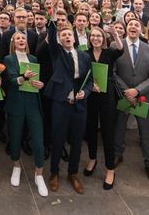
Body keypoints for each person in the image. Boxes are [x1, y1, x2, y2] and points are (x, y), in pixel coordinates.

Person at [45, 23, 92, 194]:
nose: (66, 37)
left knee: (77, 141)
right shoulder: (57, 54)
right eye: (63, 35)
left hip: (79, 105)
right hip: (61, 104)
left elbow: (89, 81)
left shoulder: (84, 56)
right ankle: (54, 173)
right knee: (57, 139)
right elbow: (51, 38)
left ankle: (73, 174)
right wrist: (53, 18)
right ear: (59, 39)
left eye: (69, 35)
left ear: (74, 38)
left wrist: (85, 93)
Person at [113, 18, 149, 184]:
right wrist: (127, 91)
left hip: (143, 97)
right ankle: (117, 154)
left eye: (136, 25)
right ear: (126, 29)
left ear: (142, 30)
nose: (133, 26)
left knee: (145, 133)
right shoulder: (116, 46)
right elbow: (113, 72)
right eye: (130, 24)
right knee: (119, 128)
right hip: (123, 96)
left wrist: (137, 90)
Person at [3, 31, 48, 197]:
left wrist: (40, 84)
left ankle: (39, 174)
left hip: (33, 103)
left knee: (38, 141)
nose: (21, 40)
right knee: (15, 138)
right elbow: (12, 80)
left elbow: (36, 81)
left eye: (23, 38)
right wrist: (24, 77)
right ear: (13, 43)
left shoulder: (34, 59)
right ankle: (16, 166)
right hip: (16, 103)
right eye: (18, 38)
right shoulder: (9, 59)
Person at [84, 26, 123, 189]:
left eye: (98, 36)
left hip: (107, 95)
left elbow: (120, 49)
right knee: (90, 129)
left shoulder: (109, 52)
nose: (95, 38)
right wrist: (90, 85)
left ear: (104, 38)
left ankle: (110, 169)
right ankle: (92, 158)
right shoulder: (85, 54)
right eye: (92, 36)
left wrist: (114, 34)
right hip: (91, 95)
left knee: (108, 131)